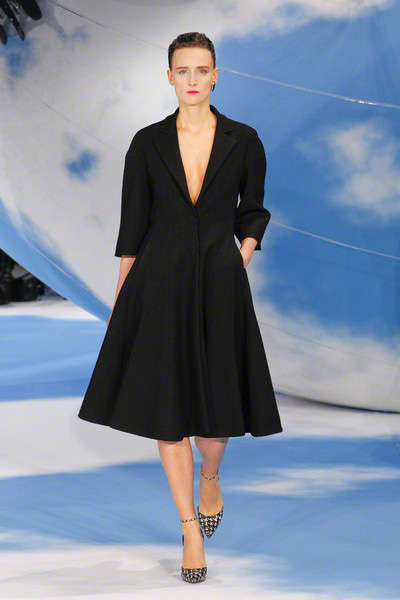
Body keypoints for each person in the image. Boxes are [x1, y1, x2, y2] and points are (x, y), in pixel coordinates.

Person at [78, 31, 283, 584]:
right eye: (182, 70)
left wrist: (239, 256)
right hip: (159, 280)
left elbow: (253, 209)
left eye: (201, 69)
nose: (192, 79)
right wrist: (123, 294)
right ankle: (189, 528)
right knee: (169, 412)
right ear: (169, 77)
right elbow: (132, 224)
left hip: (219, 281)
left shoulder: (244, 140)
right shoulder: (146, 142)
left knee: (217, 411)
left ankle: (210, 476)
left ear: (216, 75)